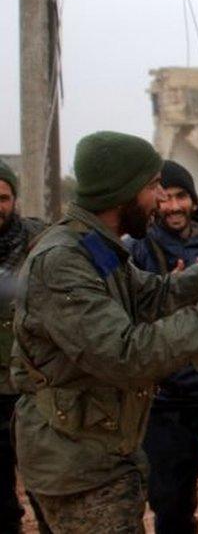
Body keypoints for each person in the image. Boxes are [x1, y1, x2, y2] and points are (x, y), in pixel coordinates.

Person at [10, 131, 198, 533]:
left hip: (102, 452)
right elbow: (128, 356)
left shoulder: (95, 246)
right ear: (122, 192)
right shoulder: (64, 262)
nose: (161, 200)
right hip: (79, 466)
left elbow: (155, 295)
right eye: (153, 187)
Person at [124, 160, 198, 534]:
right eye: (165, 197)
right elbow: (124, 322)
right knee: (170, 504)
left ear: (194, 200)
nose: (173, 207)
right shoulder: (135, 253)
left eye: (181, 196)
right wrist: (166, 295)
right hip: (165, 400)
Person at [0, 160, 50, 533]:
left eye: (2, 197)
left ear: (14, 199)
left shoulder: (40, 239)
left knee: (46, 487)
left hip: (31, 387)